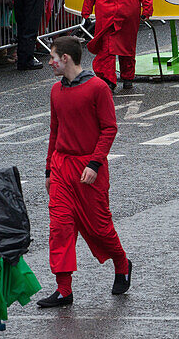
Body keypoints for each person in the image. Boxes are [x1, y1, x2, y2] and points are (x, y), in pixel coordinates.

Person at [37, 35, 131, 308]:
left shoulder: (98, 88)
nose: (50, 62)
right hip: (62, 167)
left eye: (52, 57)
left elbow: (109, 128)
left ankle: (122, 262)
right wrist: (48, 170)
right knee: (60, 228)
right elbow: (55, 131)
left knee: (100, 228)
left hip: (89, 169)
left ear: (65, 58)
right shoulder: (56, 91)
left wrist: (94, 164)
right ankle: (64, 289)